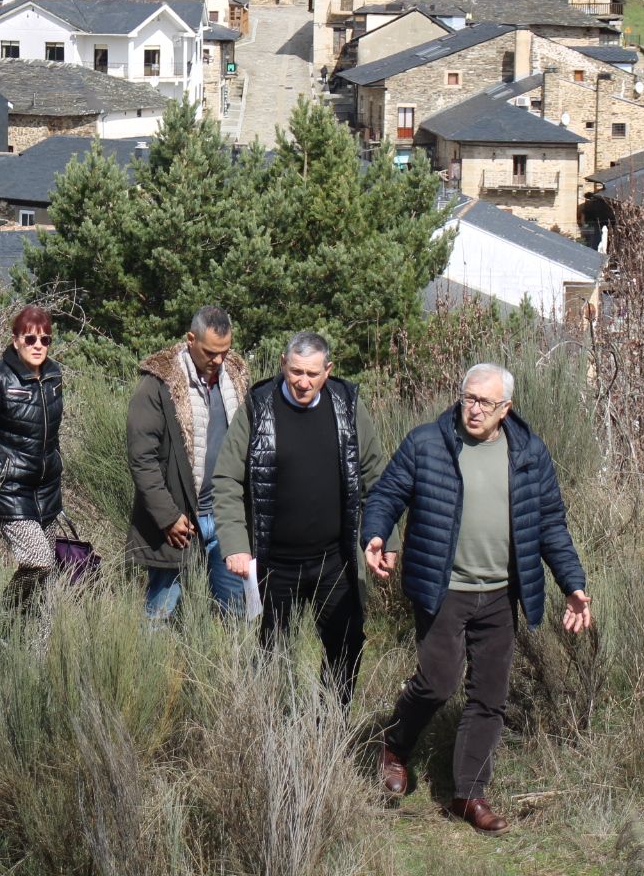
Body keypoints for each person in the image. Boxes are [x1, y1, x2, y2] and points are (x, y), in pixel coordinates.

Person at [362, 362, 593, 835]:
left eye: (485, 402)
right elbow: (387, 494)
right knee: (437, 683)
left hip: (501, 593)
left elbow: (550, 524)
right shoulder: (427, 443)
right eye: (469, 398)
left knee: (490, 695)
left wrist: (572, 584)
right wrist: (376, 534)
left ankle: (469, 794)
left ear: (505, 408)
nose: (474, 409)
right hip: (442, 588)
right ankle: (395, 747)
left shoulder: (528, 452)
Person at [214, 330, 385, 702]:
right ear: (282, 364)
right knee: (271, 652)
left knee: (347, 642)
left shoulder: (347, 405)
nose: (303, 382)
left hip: (334, 559)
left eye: (312, 373)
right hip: (275, 563)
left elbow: (375, 475)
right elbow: (226, 478)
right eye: (295, 372)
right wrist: (236, 544)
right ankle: (268, 725)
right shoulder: (258, 406)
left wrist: (382, 535)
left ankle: (329, 723)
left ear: (328, 371)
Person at [127, 305, 251, 618]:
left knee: (237, 613)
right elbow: (142, 458)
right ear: (190, 340)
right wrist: (167, 516)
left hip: (226, 516)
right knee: (161, 612)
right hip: (179, 519)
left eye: (225, 352)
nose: (218, 360)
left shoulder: (236, 377)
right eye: (210, 352)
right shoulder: (157, 384)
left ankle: (227, 654)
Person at [0, 305, 66, 612]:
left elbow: (52, 435)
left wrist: (56, 469)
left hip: (47, 490)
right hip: (10, 490)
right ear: (16, 340)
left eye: (45, 340)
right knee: (39, 561)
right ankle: (1, 616)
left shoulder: (53, 376)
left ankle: (35, 641)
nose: (38, 346)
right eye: (30, 339)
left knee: (46, 581)